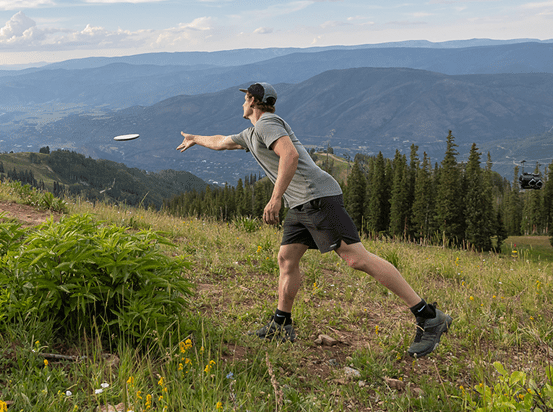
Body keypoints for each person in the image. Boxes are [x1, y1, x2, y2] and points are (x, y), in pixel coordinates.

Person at [177, 82, 452, 358]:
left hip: (317, 198)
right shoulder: (252, 133)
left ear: (252, 101)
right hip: (300, 203)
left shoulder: (266, 124)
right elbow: (222, 141)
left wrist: (275, 197)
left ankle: (428, 316)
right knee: (286, 258)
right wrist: (194, 138)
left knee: (357, 258)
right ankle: (281, 324)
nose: (241, 104)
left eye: (244, 100)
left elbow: (290, 154)